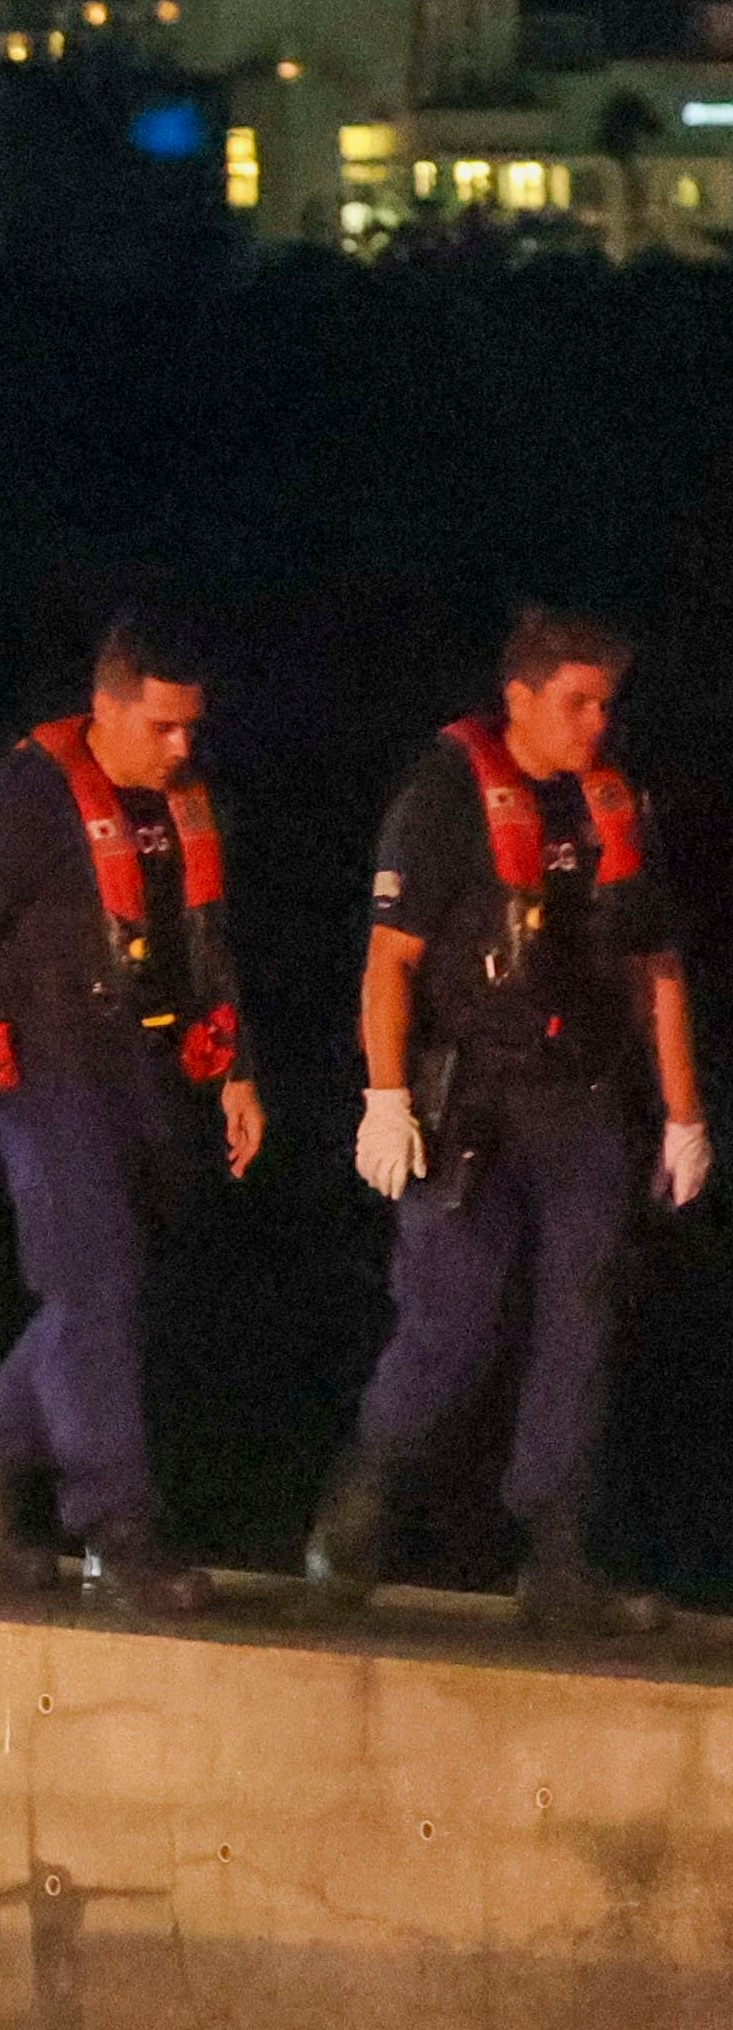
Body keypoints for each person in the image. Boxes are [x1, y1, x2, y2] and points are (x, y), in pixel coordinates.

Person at [307, 609, 709, 1635]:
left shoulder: (612, 801)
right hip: (468, 1099)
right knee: (451, 1317)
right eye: (575, 701)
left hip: (575, 1098)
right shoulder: (442, 798)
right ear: (521, 697)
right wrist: (384, 1095)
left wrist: (681, 1115)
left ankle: (556, 1552)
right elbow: (386, 962)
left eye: (605, 704)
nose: (594, 722)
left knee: (580, 1315)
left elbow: (654, 965)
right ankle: (356, 1505)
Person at [0, 617, 264, 1614]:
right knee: (95, 1287)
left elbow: (206, 943)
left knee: (95, 1291)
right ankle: (116, 1530)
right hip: (42, 1078)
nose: (182, 746)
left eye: (192, 726)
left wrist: (236, 1072)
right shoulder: (23, 799)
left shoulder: (185, 802)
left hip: (140, 1078)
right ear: (105, 708)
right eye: (161, 726)